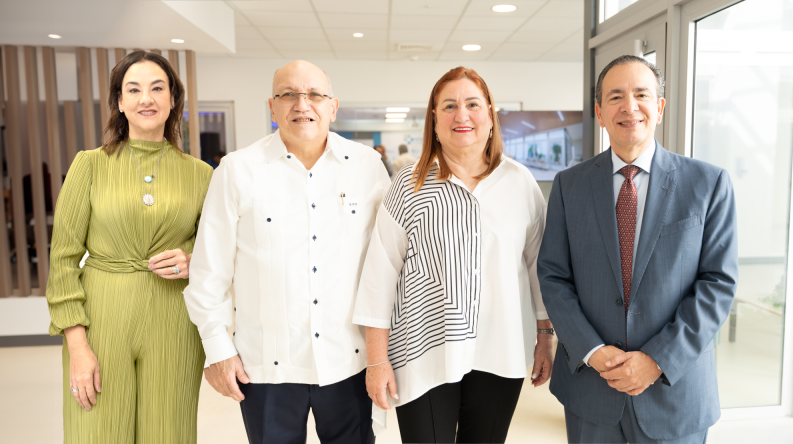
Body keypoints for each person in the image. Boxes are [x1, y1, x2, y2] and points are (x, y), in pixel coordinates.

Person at [183, 60, 389, 444]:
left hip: (348, 362)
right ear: (272, 106)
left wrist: (382, 356)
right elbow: (209, 271)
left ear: (333, 106)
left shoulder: (367, 167)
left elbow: (386, 265)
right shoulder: (237, 170)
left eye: (314, 94)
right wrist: (216, 349)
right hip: (266, 367)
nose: (302, 104)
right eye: (288, 95)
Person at [537, 55, 738, 444]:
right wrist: (592, 350)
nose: (629, 107)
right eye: (615, 97)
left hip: (673, 391)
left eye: (641, 94)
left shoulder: (708, 184)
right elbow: (554, 276)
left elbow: (718, 283)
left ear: (659, 108)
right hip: (591, 389)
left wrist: (658, 360)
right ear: (599, 112)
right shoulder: (568, 186)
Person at [353, 66, 554, 443]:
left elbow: (537, 268)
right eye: (449, 106)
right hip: (422, 350)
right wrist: (377, 360)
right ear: (434, 119)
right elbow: (380, 275)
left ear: (491, 115)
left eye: (472, 104)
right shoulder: (409, 183)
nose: (461, 115)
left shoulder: (519, 182)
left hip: (500, 350)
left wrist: (545, 337)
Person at [46, 50, 213, 443]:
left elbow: (218, 252)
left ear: (173, 99)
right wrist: (77, 345)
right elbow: (64, 259)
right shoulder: (89, 165)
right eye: (133, 89)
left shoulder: (201, 174)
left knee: (168, 433)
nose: (146, 99)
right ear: (119, 102)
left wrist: (194, 261)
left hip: (174, 321)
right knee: (98, 431)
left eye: (157, 88)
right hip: (103, 317)